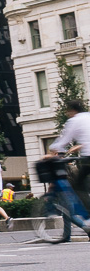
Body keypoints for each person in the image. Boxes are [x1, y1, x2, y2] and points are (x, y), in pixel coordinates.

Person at [44, 98, 90, 238]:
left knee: (78, 188)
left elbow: (62, 141)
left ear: (72, 111)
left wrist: (51, 152)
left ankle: (88, 219)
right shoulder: (88, 116)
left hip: (88, 159)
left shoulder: (74, 121)